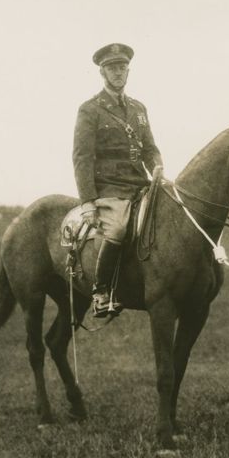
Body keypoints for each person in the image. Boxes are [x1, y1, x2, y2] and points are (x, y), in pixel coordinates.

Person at [73, 43, 164, 317]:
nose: (118, 72)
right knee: (117, 229)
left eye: (122, 67)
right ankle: (101, 292)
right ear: (102, 72)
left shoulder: (138, 108)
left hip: (140, 185)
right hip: (110, 189)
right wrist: (88, 201)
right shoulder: (90, 110)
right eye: (112, 68)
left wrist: (158, 166)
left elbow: (149, 147)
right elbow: (82, 157)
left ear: (128, 70)